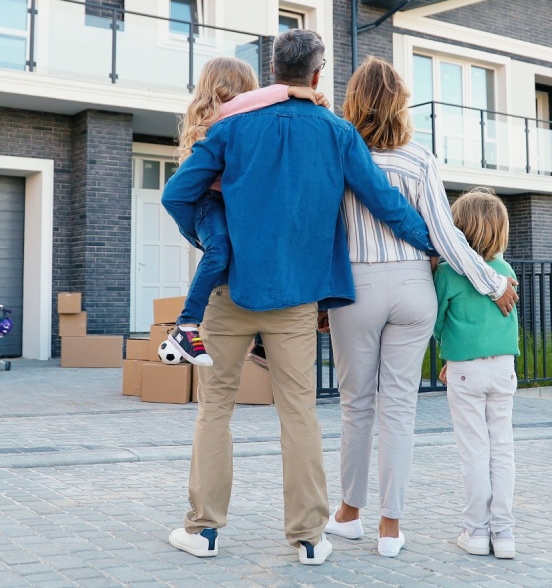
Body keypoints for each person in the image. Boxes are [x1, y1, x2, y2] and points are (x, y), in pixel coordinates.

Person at [161, 30, 436, 566]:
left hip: (227, 291)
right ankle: (310, 537)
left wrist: (207, 239)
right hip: (296, 301)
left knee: (215, 410)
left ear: (272, 72)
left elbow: (177, 193)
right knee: (299, 414)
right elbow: (384, 202)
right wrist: (432, 245)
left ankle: (204, 531)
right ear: (317, 75)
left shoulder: (231, 126)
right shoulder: (338, 133)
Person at [323, 58, 519, 558]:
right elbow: (444, 234)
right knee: (399, 408)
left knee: (357, 406)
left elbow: (323, 228)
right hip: (414, 288)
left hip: (357, 287)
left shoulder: (340, 151)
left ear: (355, 101)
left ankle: (349, 515)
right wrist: (490, 281)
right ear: (401, 104)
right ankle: (391, 527)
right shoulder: (420, 158)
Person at [159, 56, 330, 367]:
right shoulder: (224, 116)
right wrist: (289, 91)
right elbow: (174, 198)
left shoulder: (245, 115)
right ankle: (185, 326)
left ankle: (263, 341)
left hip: (232, 203)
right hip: (209, 203)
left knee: (262, 248)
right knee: (220, 249)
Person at [434, 187, 520, 560]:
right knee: (501, 448)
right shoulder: (505, 271)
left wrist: (449, 355)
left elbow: (435, 321)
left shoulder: (450, 273)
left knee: (474, 451)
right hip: (503, 368)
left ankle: (476, 531)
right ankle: (504, 534)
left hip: (465, 371)